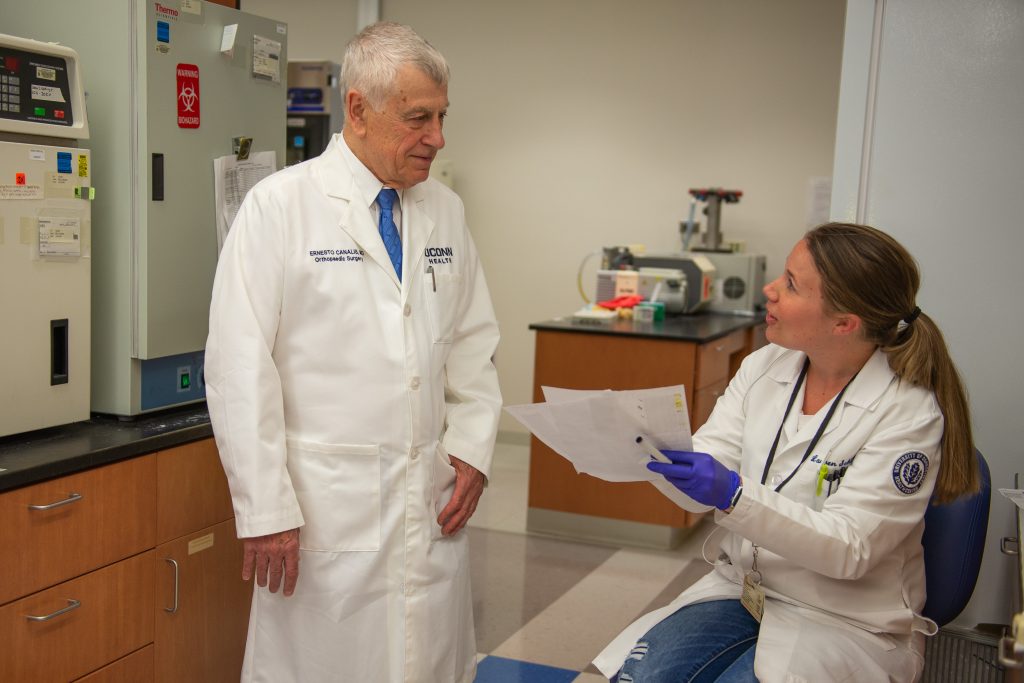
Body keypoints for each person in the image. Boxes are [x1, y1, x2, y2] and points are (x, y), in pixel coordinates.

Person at [205, 22, 502, 683]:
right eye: (418, 117)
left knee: (426, 659)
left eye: (443, 116)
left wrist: (474, 447)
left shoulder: (445, 212)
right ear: (360, 110)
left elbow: (473, 344)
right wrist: (266, 507)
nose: (438, 138)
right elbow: (237, 366)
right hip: (323, 507)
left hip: (428, 501)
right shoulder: (281, 208)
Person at [594, 223, 979, 682]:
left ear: (844, 323)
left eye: (792, 285)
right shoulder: (765, 366)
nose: (769, 291)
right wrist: (655, 452)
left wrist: (733, 494)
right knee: (639, 678)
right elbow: (709, 466)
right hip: (743, 590)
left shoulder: (906, 411)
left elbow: (849, 549)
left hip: (844, 618)